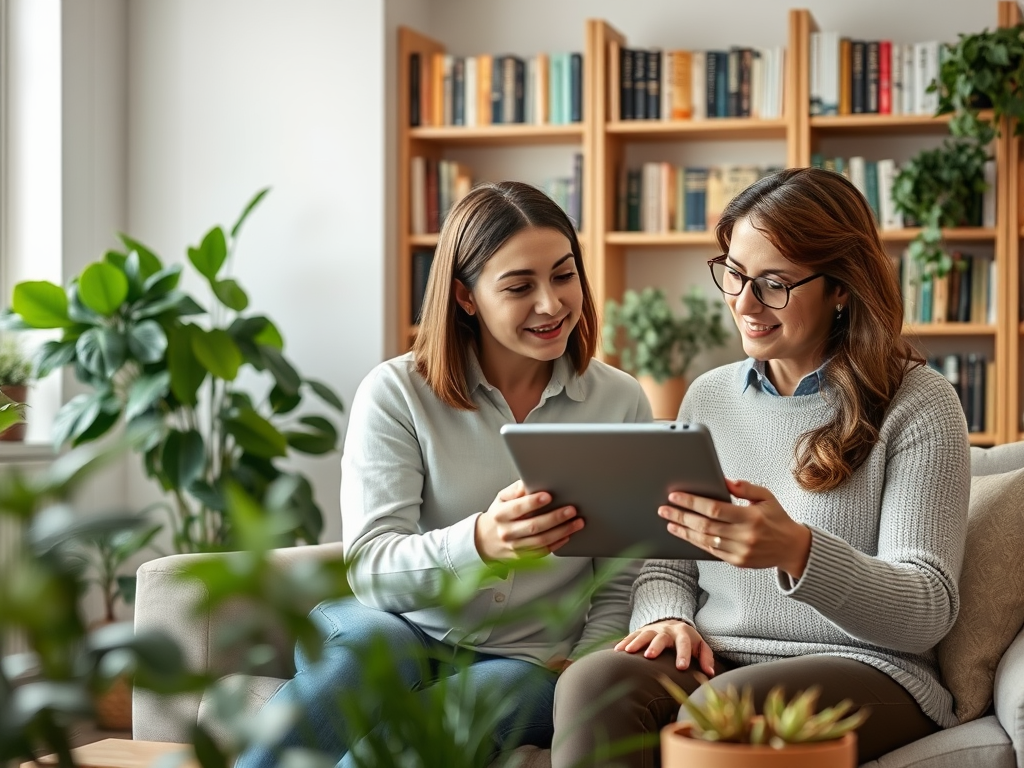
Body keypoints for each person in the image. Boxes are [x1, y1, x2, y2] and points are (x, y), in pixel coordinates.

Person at [552, 167, 971, 767]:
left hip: (874, 668)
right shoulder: (709, 397)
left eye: (774, 283)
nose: (744, 303)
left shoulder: (919, 404)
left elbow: (926, 610)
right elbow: (666, 563)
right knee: (591, 687)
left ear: (842, 288)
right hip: (718, 657)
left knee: (724, 710)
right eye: (736, 274)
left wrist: (798, 551)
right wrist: (667, 617)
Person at [236, 181, 651, 768]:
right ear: (465, 297)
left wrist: (585, 664)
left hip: (532, 659)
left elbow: (621, 578)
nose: (552, 304)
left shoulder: (620, 402)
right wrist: (483, 542)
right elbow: (372, 566)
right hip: (399, 622)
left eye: (564, 275)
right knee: (362, 661)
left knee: (443, 723)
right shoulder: (397, 392)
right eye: (518, 286)